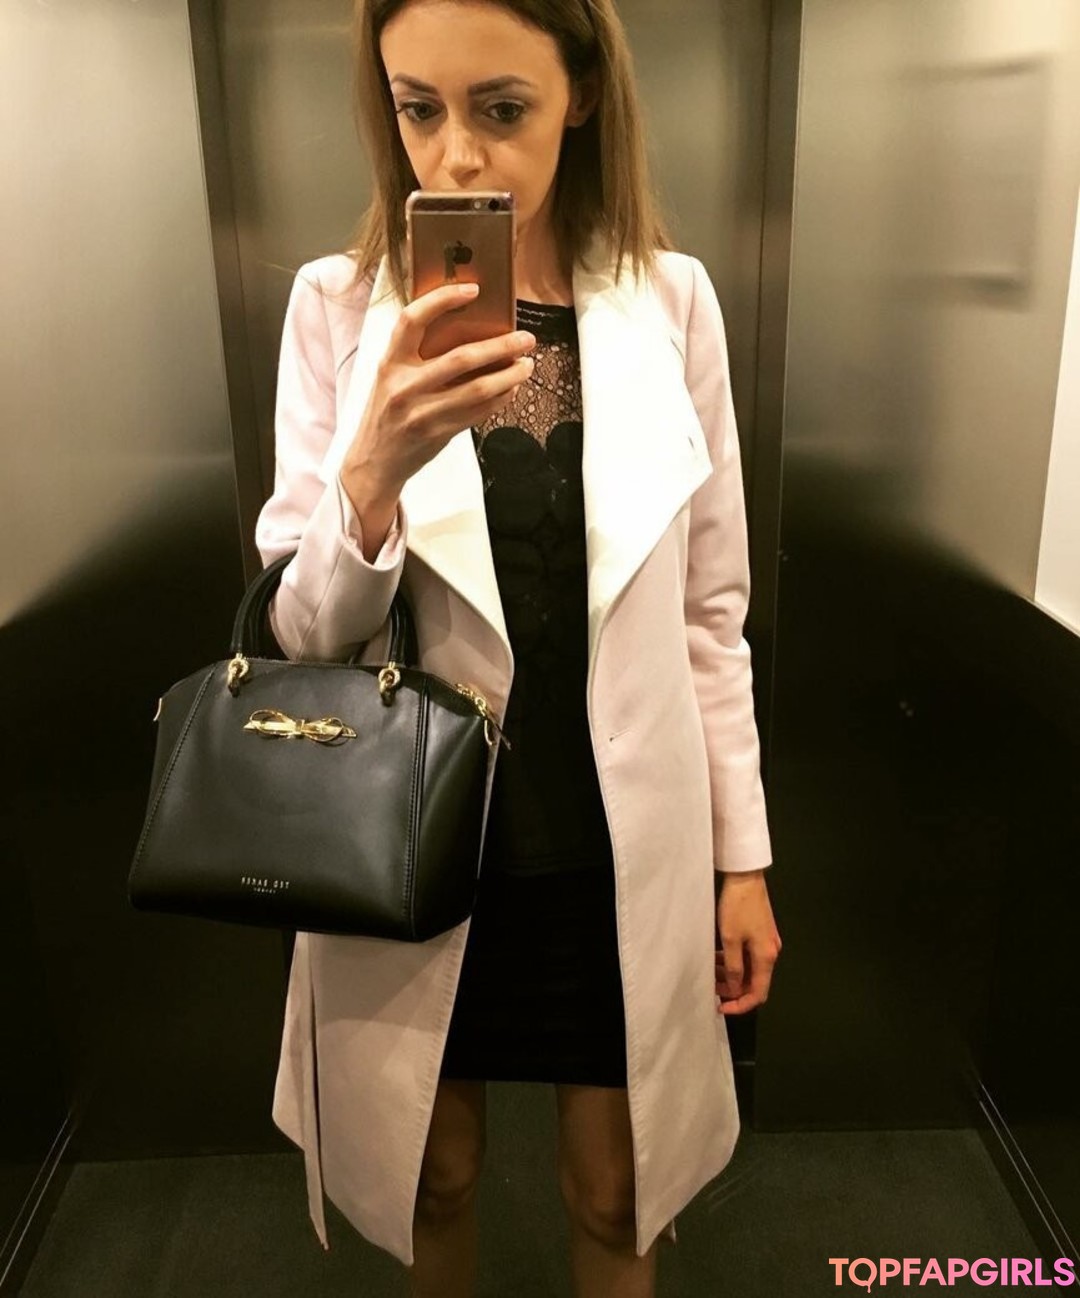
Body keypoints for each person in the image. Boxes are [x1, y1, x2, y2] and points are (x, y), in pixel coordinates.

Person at [254, 0, 783, 1294]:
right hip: (418, 844)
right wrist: (371, 475)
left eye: (501, 109)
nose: (457, 157)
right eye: (417, 108)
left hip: (618, 847)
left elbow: (711, 612)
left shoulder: (671, 302)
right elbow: (299, 638)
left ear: (582, 95)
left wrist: (742, 860)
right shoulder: (337, 309)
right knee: (432, 1174)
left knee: (619, 1192)